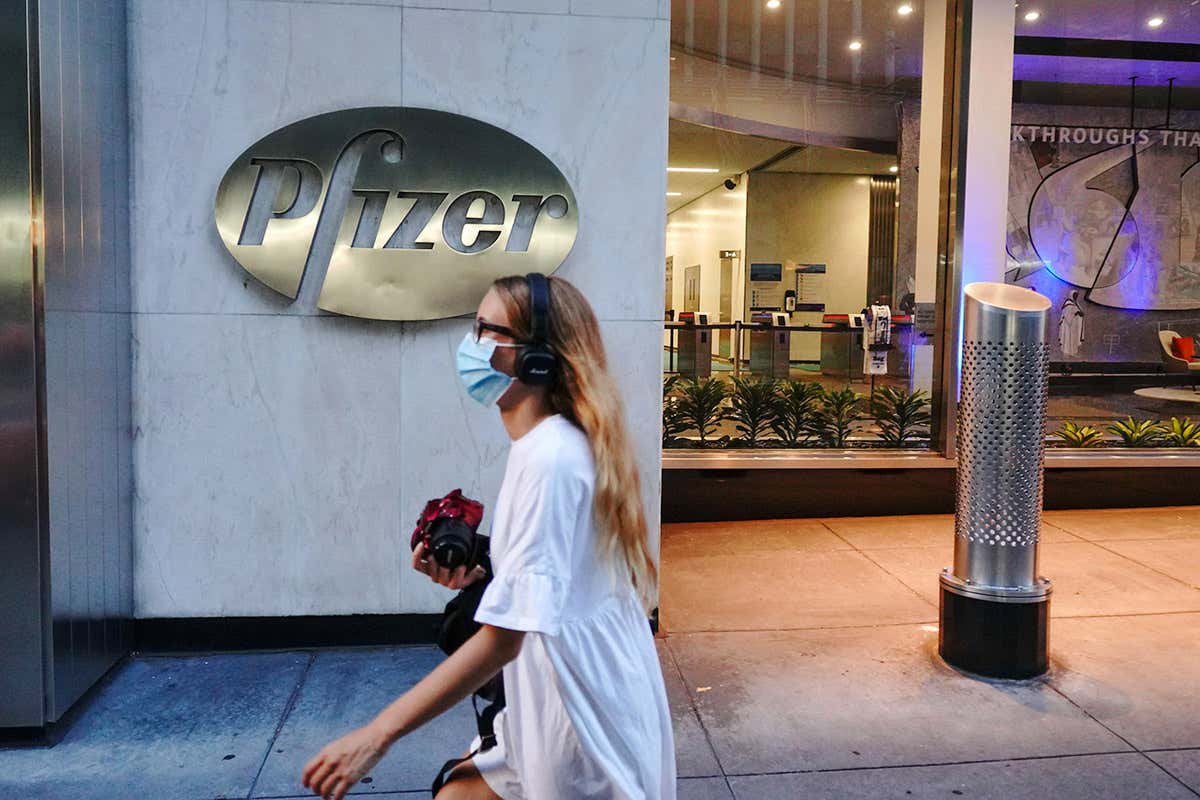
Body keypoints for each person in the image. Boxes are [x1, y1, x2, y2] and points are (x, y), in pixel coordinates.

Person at [301, 274, 676, 800]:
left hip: (575, 715)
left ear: (535, 360)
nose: (469, 345)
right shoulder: (555, 445)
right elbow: (558, 581)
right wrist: (478, 576)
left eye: (484, 330)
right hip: (561, 693)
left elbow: (505, 639)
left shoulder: (548, 458)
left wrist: (378, 733)